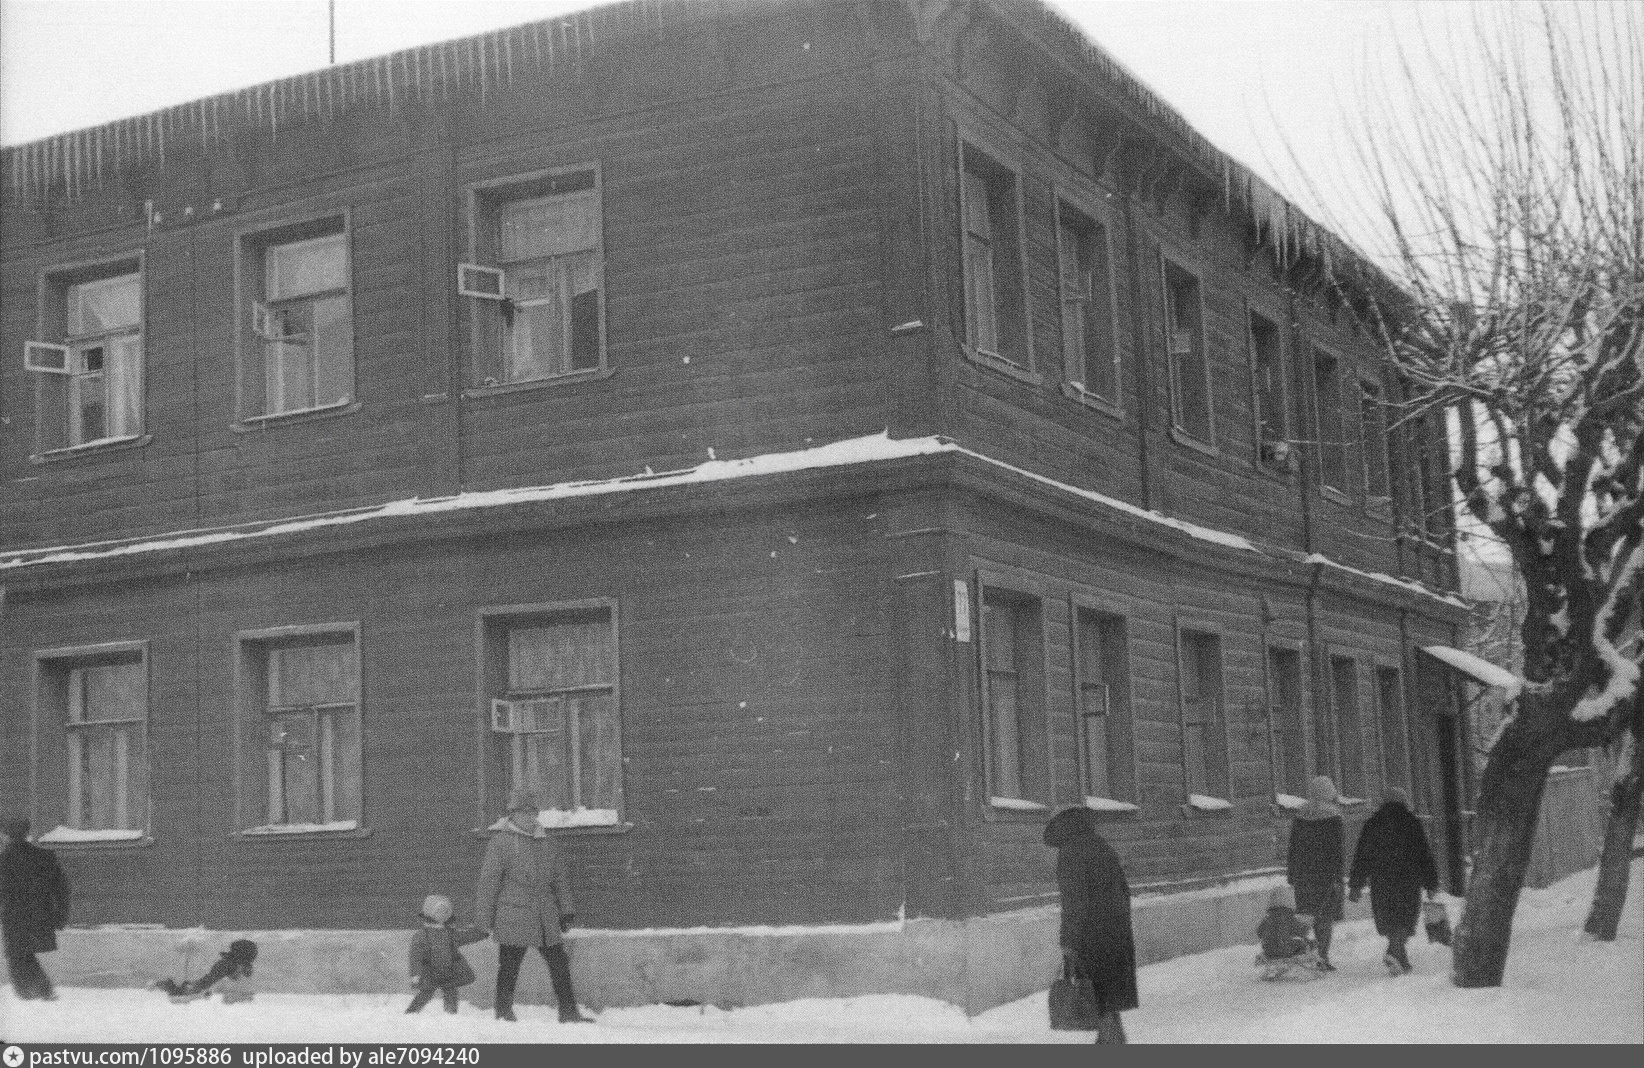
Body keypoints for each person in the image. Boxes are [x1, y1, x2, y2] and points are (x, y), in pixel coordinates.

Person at [475, 789, 593, 1024]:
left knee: (559, 964)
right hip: (513, 916)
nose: (530, 817)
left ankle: (569, 1013)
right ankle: (503, 1013)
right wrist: (483, 921)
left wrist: (566, 910)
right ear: (513, 814)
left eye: (533, 812)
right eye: (524, 812)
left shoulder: (548, 842)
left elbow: (560, 879)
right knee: (509, 967)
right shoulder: (501, 843)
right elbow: (489, 883)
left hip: (544, 916)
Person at [1043, 807, 1137, 1044]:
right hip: (1116, 931)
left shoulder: (1071, 853)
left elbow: (1074, 902)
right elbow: (1124, 891)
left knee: (1098, 995)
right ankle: (1113, 1041)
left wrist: (1068, 941)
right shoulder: (1102, 846)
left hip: (1090, 936)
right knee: (1109, 998)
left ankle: (1111, 1044)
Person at [1349, 786, 1439, 975]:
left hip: (1381, 880)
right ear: (1404, 801)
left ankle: (1399, 956)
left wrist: (1356, 883)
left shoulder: (1372, 824)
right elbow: (1424, 854)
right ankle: (1394, 952)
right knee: (1405, 918)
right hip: (1408, 880)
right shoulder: (1412, 823)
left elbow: (1362, 855)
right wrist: (1431, 883)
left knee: (1389, 917)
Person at [0, 816, 69, 1001]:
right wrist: (61, 914)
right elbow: (61, 887)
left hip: (14, 916)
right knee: (22, 953)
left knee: (17, 954)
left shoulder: (4, 859)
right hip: (41, 914)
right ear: (27, 833)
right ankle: (36, 992)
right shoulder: (44, 856)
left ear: (5, 834)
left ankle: (34, 992)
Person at [1287, 775, 1345, 972]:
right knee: (1324, 917)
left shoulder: (1300, 816)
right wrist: (1338, 876)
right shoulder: (1334, 818)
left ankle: (1294, 952)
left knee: (1305, 915)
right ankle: (1322, 956)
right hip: (1326, 875)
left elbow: (1293, 848)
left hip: (1303, 874)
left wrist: (1292, 873)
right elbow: (1337, 850)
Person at [406, 893, 486, 1014]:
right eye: (439, 912)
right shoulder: (422, 935)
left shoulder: (450, 933)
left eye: (445, 912)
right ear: (430, 913)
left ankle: (451, 1015)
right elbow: (415, 956)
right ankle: (411, 1013)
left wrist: (481, 933)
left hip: (449, 970)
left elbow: (465, 937)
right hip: (429, 971)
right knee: (425, 993)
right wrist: (416, 974)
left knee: (451, 991)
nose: (442, 915)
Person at [155, 938, 258, 1003]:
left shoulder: (228, 965)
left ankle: (171, 987)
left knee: (185, 990)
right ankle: (172, 987)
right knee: (187, 989)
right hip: (209, 989)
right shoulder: (240, 968)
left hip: (205, 988)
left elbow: (210, 981)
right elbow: (212, 981)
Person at [1255, 884, 1318, 980]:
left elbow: (1259, 932)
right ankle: (1304, 966)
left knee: (1289, 943)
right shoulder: (1289, 917)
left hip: (1269, 951)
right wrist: (1308, 926)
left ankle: (1273, 969)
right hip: (1285, 949)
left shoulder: (1267, 918)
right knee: (1304, 943)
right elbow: (1301, 931)